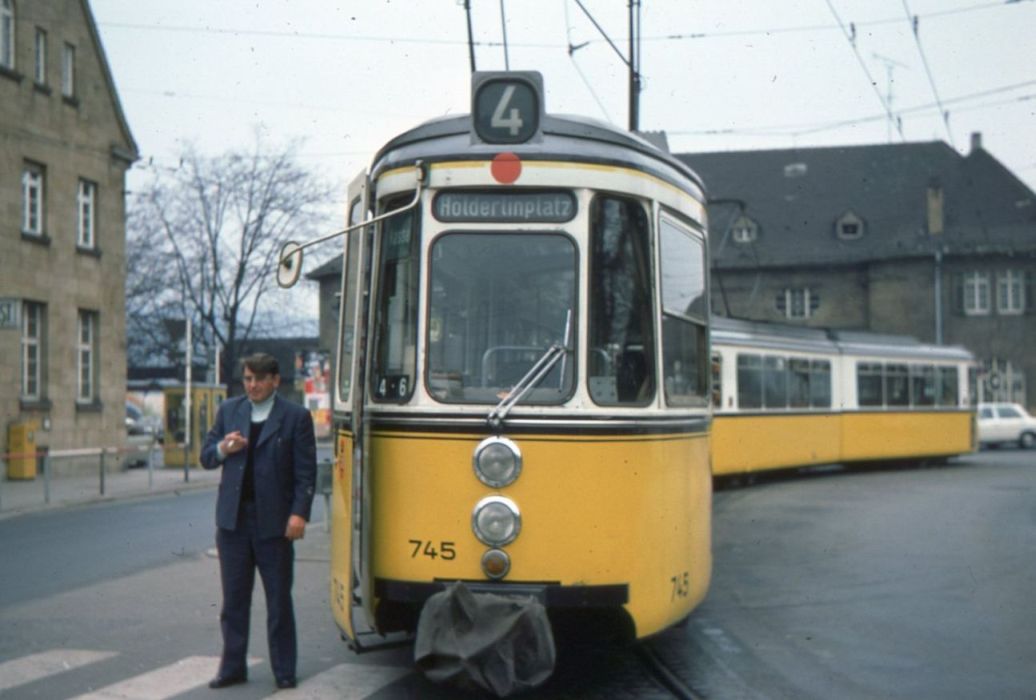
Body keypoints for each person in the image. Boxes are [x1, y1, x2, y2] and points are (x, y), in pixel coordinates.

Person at [201, 353, 317, 690]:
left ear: (275, 381)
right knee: (234, 600)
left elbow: (305, 473)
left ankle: (284, 669)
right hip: (233, 522)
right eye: (248, 379)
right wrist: (224, 448)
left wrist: (299, 513)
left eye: (259, 379)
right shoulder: (230, 411)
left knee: (279, 600)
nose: (252, 385)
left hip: (275, 524)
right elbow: (207, 456)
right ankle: (232, 666)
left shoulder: (295, 418)